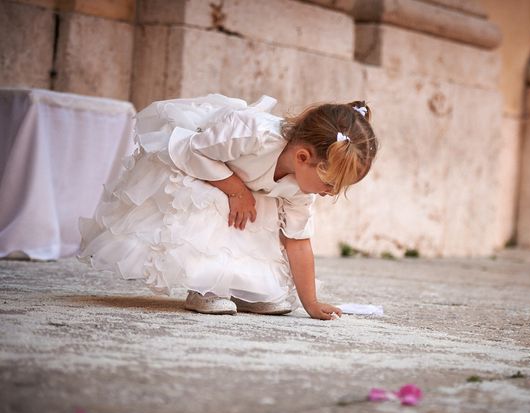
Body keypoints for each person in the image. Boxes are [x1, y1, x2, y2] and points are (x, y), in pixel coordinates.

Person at [78, 93, 378, 320]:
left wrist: (310, 303)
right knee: (218, 200)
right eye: (330, 184)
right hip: (189, 167)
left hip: (238, 187)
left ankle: (243, 286)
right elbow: (191, 150)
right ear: (302, 158)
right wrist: (234, 189)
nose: (331, 193)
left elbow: (297, 240)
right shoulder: (253, 134)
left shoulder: (300, 188)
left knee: (266, 208)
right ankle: (206, 285)